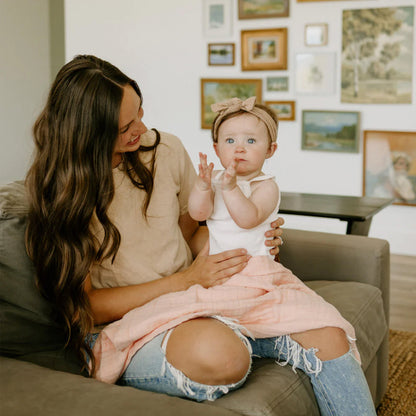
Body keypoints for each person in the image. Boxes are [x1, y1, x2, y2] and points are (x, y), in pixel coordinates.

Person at [24, 55, 284, 400]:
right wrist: (186, 280)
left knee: (312, 325)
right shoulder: (62, 192)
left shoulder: (166, 149)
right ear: (88, 133)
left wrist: (250, 238)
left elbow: (191, 233)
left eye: (140, 113)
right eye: (125, 127)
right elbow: (83, 308)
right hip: (124, 324)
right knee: (223, 356)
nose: (142, 130)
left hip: (189, 301)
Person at [182, 97, 376, 415]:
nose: (239, 148)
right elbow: (198, 213)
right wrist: (203, 187)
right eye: (230, 140)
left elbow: (248, 217)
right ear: (216, 149)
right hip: (220, 277)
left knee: (322, 320)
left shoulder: (266, 186)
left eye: (251, 141)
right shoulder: (216, 182)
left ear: (270, 150)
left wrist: (229, 188)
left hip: (257, 273)